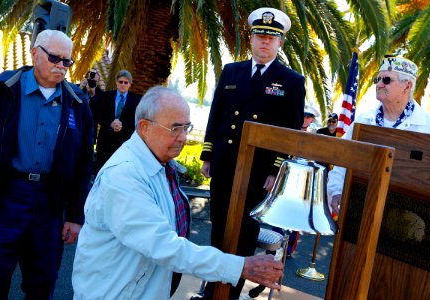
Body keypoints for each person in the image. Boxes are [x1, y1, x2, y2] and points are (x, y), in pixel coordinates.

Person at [72, 86, 283, 299]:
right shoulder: (123, 176)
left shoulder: (159, 164)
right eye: (175, 128)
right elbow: (163, 246)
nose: (183, 137)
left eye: (186, 127)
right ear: (144, 127)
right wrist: (239, 266)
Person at [196, 7, 305, 299]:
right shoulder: (233, 71)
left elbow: (290, 133)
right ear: (251, 39)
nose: (264, 42)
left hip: (259, 172)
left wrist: (276, 170)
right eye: (259, 35)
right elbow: (216, 114)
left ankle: (230, 292)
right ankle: (212, 286)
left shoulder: (291, 81)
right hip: (225, 163)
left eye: (271, 37)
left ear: (280, 43)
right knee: (219, 225)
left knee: (244, 231)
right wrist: (208, 155)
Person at [0, 29, 94, 299]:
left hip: (49, 205)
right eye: (54, 58)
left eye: (67, 61)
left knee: (42, 283)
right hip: (6, 199)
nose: (61, 66)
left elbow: (85, 163)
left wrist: (74, 215)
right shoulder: (1, 91)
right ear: (35, 53)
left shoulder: (78, 104)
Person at [327, 56, 430, 215]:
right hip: (358, 210)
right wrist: (336, 192)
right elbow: (342, 160)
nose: (379, 84)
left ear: (407, 87)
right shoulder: (363, 121)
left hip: (406, 219)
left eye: (387, 80)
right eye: (377, 79)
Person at [94, 69, 141, 173]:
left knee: (120, 173)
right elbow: (98, 115)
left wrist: (122, 125)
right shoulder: (106, 96)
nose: (123, 84)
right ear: (116, 82)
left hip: (125, 143)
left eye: (126, 82)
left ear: (130, 84)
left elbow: (138, 120)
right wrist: (110, 123)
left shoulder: (137, 100)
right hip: (105, 142)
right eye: (120, 82)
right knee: (101, 171)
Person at [79, 69, 104, 144]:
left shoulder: (101, 95)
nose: (91, 82)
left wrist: (93, 95)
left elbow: (100, 115)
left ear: (98, 82)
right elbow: (71, 104)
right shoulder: (78, 88)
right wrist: (80, 89)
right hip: (75, 128)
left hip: (90, 131)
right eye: (90, 80)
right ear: (86, 79)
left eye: (94, 81)